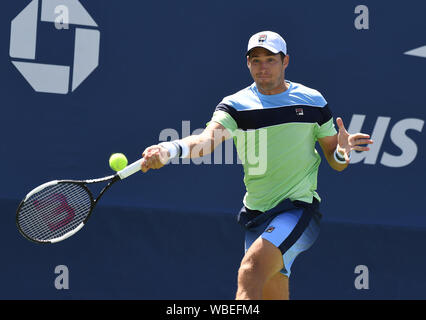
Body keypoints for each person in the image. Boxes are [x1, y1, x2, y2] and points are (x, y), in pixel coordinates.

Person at [139, 31, 374, 300]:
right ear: (247, 63)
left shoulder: (313, 101)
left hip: (298, 209)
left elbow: (335, 158)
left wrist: (342, 154)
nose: (263, 67)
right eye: (256, 60)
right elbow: (206, 142)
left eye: (270, 60)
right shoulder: (235, 105)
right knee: (270, 293)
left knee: (250, 271)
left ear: (285, 61)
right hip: (256, 214)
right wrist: (168, 149)